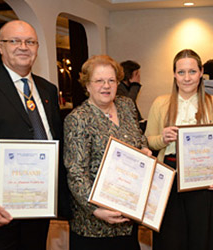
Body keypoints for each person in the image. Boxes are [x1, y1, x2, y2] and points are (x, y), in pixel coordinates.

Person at [0, 20, 70, 249]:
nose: (23, 47)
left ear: (37, 48)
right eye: (15, 41)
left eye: (30, 41)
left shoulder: (48, 89)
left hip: (39, 206)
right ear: (0, 46)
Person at [145, 49, 213, 250]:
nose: (187, 78)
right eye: (181, 72)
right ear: (174, 74)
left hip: (202, 178)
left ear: (201, 72)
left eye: (192, 72)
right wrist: (162, 138)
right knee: (170, 239)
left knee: (201, 238)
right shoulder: (160, 103)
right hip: (168, 178)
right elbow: (148, 141)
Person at [63, 55, 151, 250]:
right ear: (87, 85)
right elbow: (76, 173)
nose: (106, 86)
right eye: (99, 81)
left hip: (128, 215)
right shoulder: (78, 119)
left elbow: (139, 137)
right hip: (94, 226)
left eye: (111, 80)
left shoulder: (126, 106)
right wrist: (96, 209)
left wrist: (143, 150)